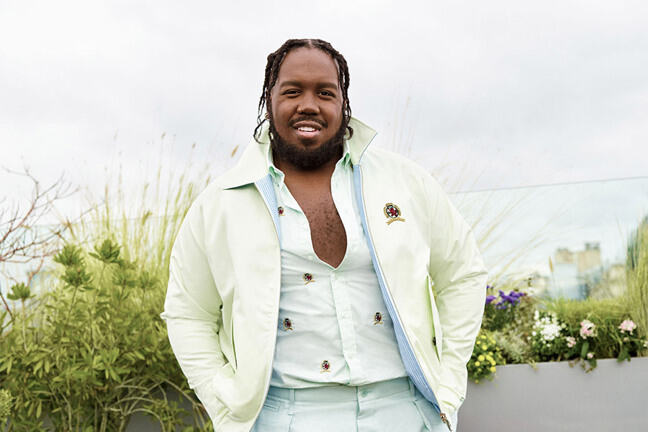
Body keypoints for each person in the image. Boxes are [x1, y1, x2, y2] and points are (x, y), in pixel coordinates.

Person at [162, 38, 488, 432]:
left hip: (405, 411)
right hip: (282, 417)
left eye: (325, 92)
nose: (309, 105)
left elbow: (463, 275)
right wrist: (225, 403)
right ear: (270, 99)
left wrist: (449, 383)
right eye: (292, 91)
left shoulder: (406, 182)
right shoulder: (219, 203)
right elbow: (188, 313)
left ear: (343, 104)